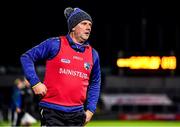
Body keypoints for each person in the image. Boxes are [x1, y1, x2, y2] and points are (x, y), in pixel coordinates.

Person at [20, 7, 101, 126]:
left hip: (77, 114)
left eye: (90, 24)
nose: (88, 27)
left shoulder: (93, 54)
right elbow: (26, 57)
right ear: (73, 27)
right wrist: (35, 82)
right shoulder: (55, 43)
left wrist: (90, 110)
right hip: (52, 111)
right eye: (84, 23)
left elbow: (95, 82)